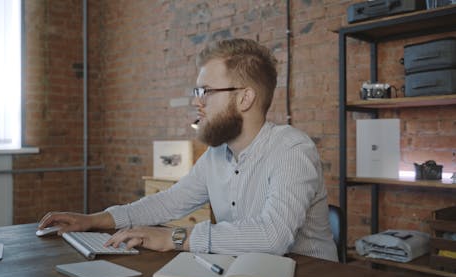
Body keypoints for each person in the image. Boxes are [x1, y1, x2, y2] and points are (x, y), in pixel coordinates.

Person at [39, 38, 338, 262]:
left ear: (245, 98)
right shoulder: (216, 156)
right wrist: (93, 220)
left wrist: (175, 237)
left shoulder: (292, 149)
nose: (197, 102)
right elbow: (168, 202)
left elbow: (272, 236)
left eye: (206, 91)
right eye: (197, 92)